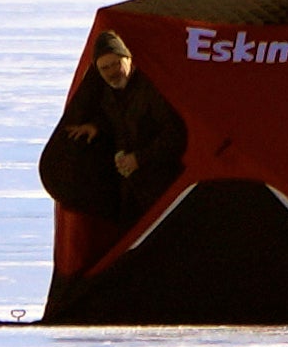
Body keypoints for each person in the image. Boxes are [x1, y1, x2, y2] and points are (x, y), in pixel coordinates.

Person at [38, 32, 187, 224]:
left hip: (161, 187)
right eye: (105, 68)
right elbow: (118, 119)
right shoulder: (108, 92)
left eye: (116, 64)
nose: (111, 72)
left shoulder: (151, 90)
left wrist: (138, 159)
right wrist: (97, 127)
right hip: (130, 189)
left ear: (128, 59)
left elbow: (175, 135)